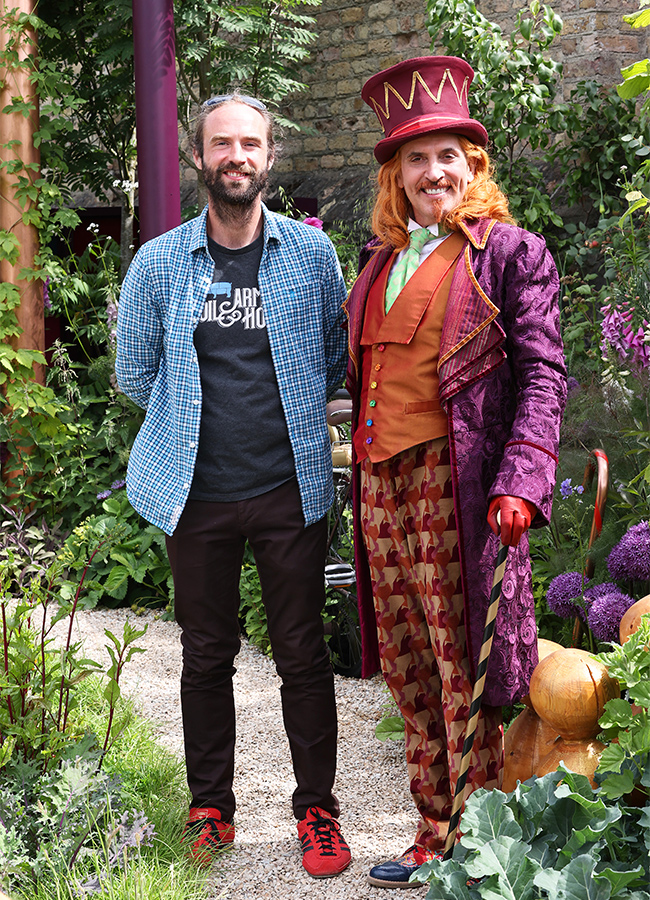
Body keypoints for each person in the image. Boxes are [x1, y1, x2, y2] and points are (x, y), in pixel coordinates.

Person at [115, 93, 352, 879]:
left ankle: (317, 811)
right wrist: (191, 418)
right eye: (223, 144)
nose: (237, 156)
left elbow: (334, 363)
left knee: (302, 654)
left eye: (251, 143)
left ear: (271, 157)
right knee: (205, 654)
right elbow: (134, 371)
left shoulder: (313, 258)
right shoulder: (159, 262)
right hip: (198, 493)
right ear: (198, 157)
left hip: (291, 492)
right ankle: (210, 807)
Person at [344, 56, 567, 888]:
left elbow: (545, 376)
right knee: (408, 668)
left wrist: (523, 477)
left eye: (448, 156)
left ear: (474, 164)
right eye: (414, 159)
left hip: (459, 484)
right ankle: (433, 830)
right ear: (395, 178)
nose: (433, 172)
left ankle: (477, 845)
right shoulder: (376, 264)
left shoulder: (511, 254)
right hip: (379, 487)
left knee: (460, 668)